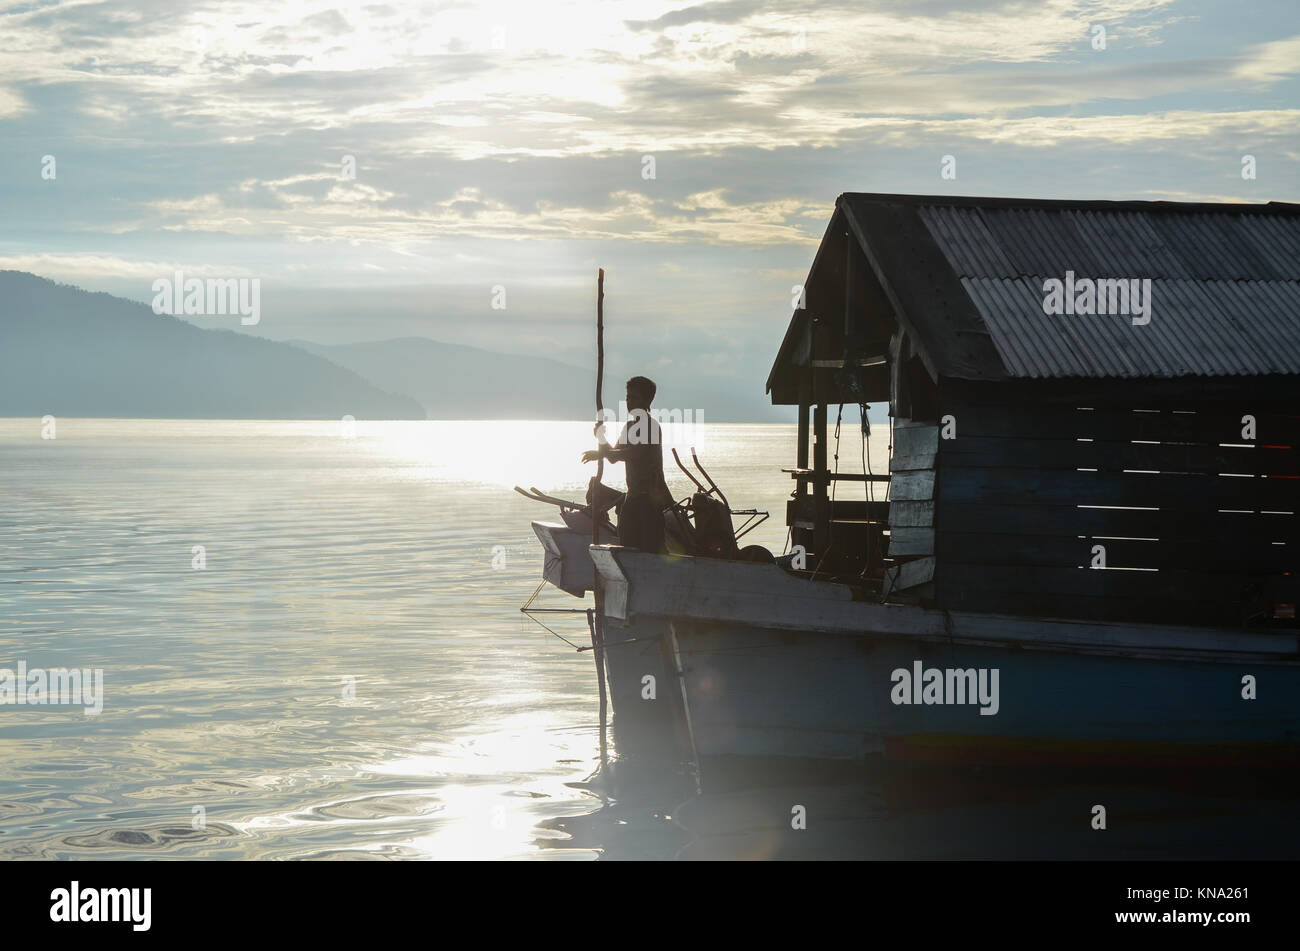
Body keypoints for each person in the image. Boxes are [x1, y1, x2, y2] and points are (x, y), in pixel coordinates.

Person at [581, 376, 673, 552]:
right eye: (628, 397)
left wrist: (602, 453)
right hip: (633, 498)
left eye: (634, 397)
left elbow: (635, 453)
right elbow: (614, 456)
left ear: (647, 401)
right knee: (627, 545)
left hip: (650, 500)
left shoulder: (650, 426)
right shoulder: (629, 427)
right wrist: (601, 437)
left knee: (652, 549)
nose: (629, 402)